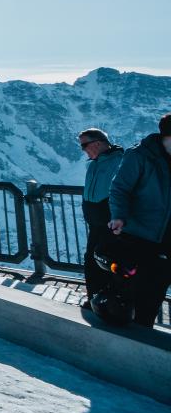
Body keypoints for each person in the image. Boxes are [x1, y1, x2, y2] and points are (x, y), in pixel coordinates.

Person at [107, 113, 171, 328]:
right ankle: (119, 332)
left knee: (155, 291)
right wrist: (118, 216)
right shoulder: (140, 155)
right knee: (130, 287)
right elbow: (120, 189)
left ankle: (143, 332)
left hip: (166, 240)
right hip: (138, 235)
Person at [78, 128, 125, 309]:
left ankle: (111, 301)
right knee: (91, 260)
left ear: (97, 143)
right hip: (95, 224)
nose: (83, 150)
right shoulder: (93, 164)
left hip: (110, 224)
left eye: (84, 145)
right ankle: (94, 299)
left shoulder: (119, 161)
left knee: (107, 262)